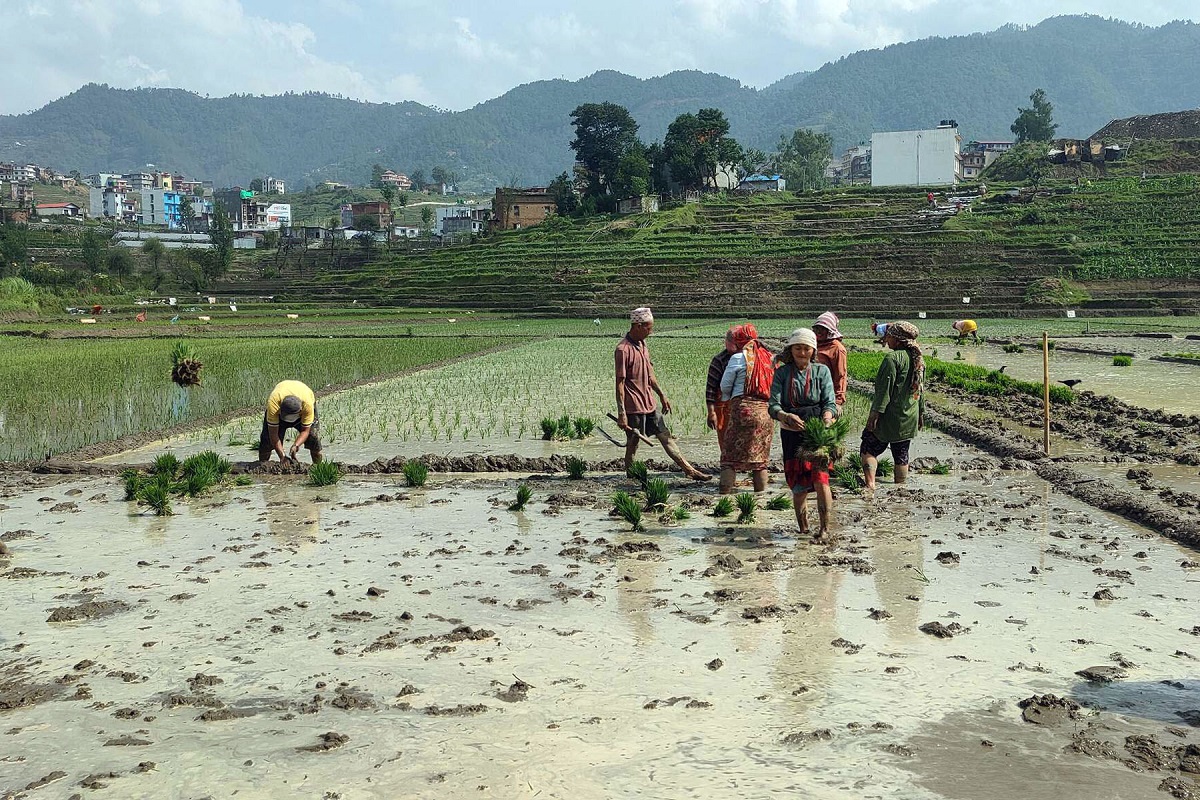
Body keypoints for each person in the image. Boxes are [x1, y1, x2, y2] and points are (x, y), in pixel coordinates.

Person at [615, 307, 709, 481]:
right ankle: (630, 476)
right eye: (648, 328)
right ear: (638, 326)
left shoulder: (642, 345)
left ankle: (688, 469)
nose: (650, 332)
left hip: (649, 402)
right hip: (634, 405)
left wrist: (662, 395)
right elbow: (619, 383)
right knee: (633, 443)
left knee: (665, 436)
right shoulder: (623, 350)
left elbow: (650, 375)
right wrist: (622, 413)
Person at [769, 328, 838, 541]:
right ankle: (804, 528)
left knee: (821, 480)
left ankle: (825, 528)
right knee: (798, 484)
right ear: (791, 350)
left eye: (806, 348)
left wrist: (827, 418)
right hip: (791, 432)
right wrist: (785, 416)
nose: (802, 352)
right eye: (797, 348)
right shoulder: (782, 373)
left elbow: (830, 402)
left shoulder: (822, 371)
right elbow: (773, 405)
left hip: (817, 432)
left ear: (813, 351)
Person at [861, 321, 925, 489]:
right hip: (909, 416)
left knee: (868, 447)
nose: (886, 339)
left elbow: (884, 391)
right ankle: (900, 489)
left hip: (890, 416)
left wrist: (875, 414)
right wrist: (921, 413)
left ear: (898, 340)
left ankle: (870, 485)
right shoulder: (918, 359)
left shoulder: (892, 358)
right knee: (901, 454)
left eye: (889, 336)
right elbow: (920, 390)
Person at [718, 324, 776, 494]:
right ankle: (760, 497)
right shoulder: (769, 358)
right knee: (760, 461)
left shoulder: (738, 358)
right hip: (766, 413)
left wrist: (728, 399)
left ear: (739, 341)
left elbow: (725, 386)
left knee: (729, 458)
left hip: (744, 411)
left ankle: (724, 496)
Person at [259, 379, 324, 464]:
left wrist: (295, 446)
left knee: (313, 437)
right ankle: (262, 466)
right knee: (266, 441)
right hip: (280, 403)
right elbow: (273, 434)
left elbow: (305, 431)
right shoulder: (274, 405)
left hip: (304, 398)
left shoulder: (307, 406)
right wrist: (282, 457)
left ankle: (318, 466)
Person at [705, 329, 736, 455]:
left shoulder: (748, 358)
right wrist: (711, 412)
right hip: (723, 405)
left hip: (743, 404)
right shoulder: (720, 360)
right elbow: (710, 388)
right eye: (731, 342)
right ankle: (728, 463)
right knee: (725, 438)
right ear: (726, 342)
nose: (734, 346)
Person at [813, 311, 847, 415]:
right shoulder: (813, 344)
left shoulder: (837, 348)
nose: (819, 331)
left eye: (823, 328)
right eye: (817, 328)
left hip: (827, 397)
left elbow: (840, 376)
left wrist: (838, 401)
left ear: (830, 330)